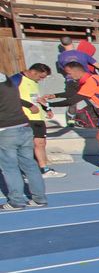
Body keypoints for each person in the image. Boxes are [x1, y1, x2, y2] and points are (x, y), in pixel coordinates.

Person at [0, 74, 47, 209]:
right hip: (24, 127)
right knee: (30, 165)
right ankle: (40, 199)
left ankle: (16, 201)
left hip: (6, 130)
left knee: (10, 168)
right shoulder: (7, 81)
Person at [14, 64, 62, 179]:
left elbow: (35, 97)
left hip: (38, 117)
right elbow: (9, 95)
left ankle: (44, 169)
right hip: (25, 117)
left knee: (41, 143)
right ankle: (27, 170)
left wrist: (46, 108)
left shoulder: (34, 82)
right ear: (33, 72)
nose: (41, 80)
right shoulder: (16, 79)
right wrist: (28, 105)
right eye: (41, 77)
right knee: (27, 145)